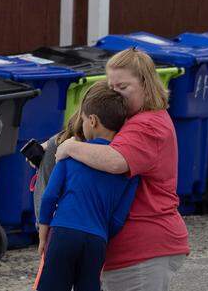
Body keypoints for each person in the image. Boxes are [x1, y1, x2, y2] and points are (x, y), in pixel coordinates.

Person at [54, 48, 189, 291]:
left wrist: (69, 149)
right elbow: (84, 127)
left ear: (146, 85)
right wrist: (49, 148)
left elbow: (116, 160)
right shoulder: (128, 117)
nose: (115, 94)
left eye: (123, 88)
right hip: (127, 250)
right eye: (111, 87)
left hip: (143, 249)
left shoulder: (149, 125)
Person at [35, 83, 138, 291]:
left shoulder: (70, 153)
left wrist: (44, 230)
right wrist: (101, 233)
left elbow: (49, 196)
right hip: (96, 240)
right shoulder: (127, 164)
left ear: (92, 121)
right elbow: (119, 217)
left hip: (64, 233)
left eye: (82, 120)